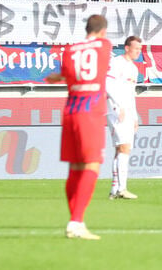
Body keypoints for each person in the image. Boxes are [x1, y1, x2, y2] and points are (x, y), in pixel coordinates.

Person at [44, 14, 112, 240]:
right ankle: (76, 221)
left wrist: (56, 78)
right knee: (92, 165)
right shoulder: (104, 45)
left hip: (70, 110)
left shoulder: (70, 49)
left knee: (74, 167)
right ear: (103, 31)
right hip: (90, 110)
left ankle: (75, 221)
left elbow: (67, 74)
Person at [106, 35, 141, 200]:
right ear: (127, 48)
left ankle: (115, 190)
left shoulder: (134, 68)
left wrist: (134, 116)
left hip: (128, 111)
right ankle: (122, 188)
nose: (138, 52)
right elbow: (108, 85)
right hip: (117, 110)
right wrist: (116, 107)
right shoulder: (116, 63)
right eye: (136, 48)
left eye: (140, 49)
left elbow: (131, 95)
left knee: (121, 149)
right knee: (124, 147)